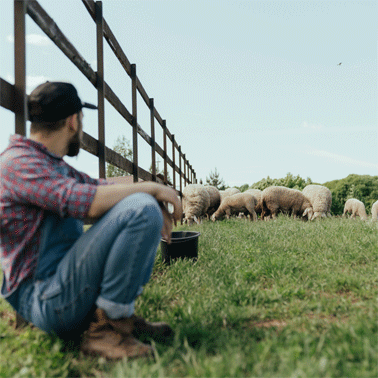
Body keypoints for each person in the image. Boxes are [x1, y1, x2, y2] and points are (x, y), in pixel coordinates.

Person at [0, 81, 182, 360]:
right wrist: (152, 191)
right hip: (44, 298)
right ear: (73, 121)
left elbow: (100, 186)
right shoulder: (18, 163)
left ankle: (117, 319)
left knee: (140, 202)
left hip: (61, 286)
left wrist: (149, 186)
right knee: (141, 209)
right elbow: (88, 201)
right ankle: (107, 330)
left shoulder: (48, 164)